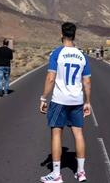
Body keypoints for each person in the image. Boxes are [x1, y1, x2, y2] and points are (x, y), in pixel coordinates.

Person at [39, 22, 91, 183]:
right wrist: (87, 102)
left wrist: (43, 97)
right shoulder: (82, 56)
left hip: (59, 100)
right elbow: (87, 82)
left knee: (56, 133)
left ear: (62, 35)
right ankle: (81, 172)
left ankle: (56, 175)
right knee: (78, 134)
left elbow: (51, 77)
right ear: (74, 35)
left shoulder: (57, 53)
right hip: (76, 100)